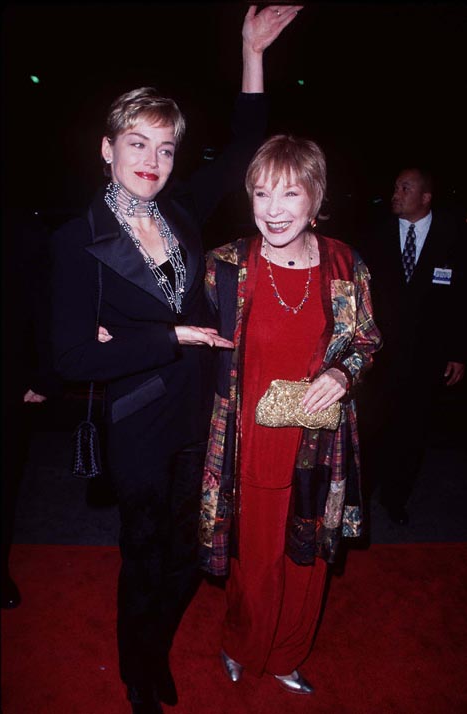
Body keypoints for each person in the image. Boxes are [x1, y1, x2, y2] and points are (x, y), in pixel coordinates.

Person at [50, 6, 302, 713]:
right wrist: (170, 337)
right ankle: (140, 671)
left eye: (164, 149)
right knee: (146, 555)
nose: (152, 161)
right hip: (138, 421)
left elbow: (244, 148)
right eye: (137, 144)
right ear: (107, 149)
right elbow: (68, 355)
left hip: (201, 408)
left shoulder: (181, 212)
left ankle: (155, 645)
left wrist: (251, 54)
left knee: (195, 553)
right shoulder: (78, 240)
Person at [199, 134, 382, 692]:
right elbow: (186, 334)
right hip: (248, 443)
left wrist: (341, 372)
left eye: (289, 194)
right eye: (261, 194)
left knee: (308, 563)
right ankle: (243, 643)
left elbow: (366, 339)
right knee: (254, 562)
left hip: (317, 446)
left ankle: (286, 654)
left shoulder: (342, 262)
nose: (273, 210)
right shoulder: (226, 265)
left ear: (315, 197)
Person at [359, 167, 465, 525]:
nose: (396, 193)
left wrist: (458, 352)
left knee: (412, 431)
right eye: (395, 186)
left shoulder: (452, 235)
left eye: (405, 187)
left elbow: (460, 299)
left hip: (425, 357)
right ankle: (359, 498)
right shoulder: (376, 234)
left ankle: (396, 497)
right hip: (380, 356)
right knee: (371, 427)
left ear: (426, 197)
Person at [1, 210, 62, 609]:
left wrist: (43, 377)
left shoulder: (22, 228)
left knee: (5, 483)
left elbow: (43, 302)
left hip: (8, 374)